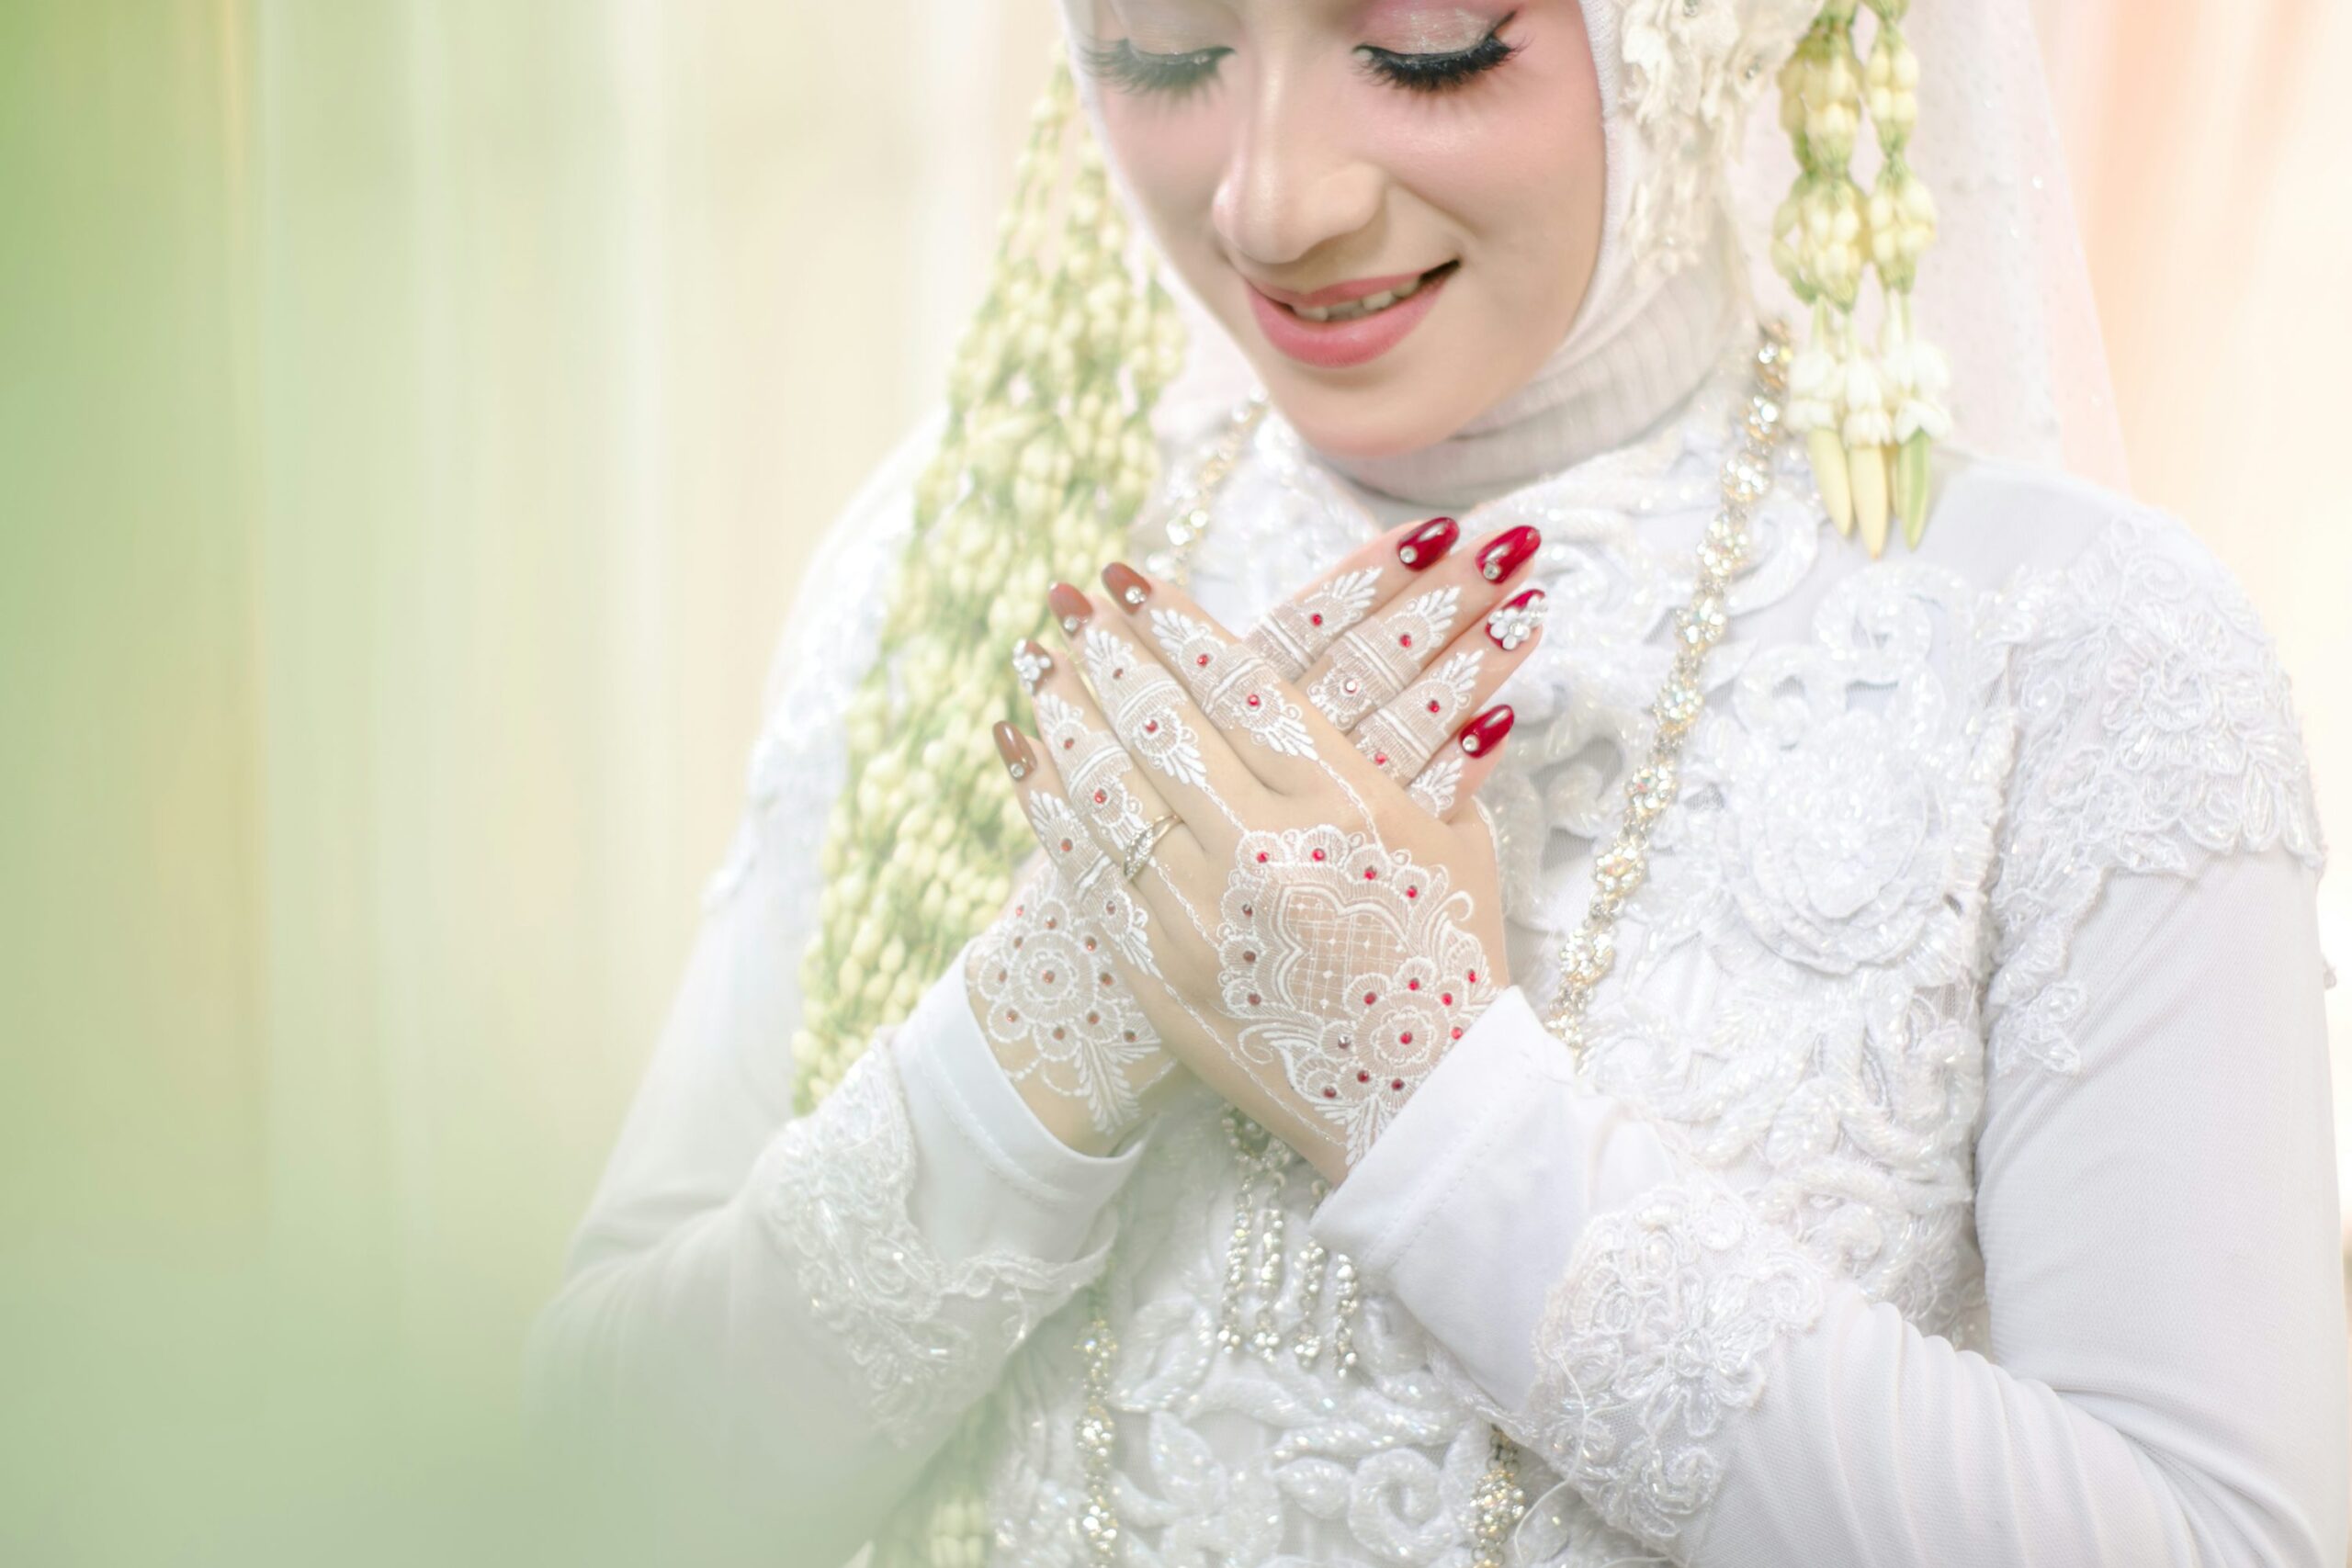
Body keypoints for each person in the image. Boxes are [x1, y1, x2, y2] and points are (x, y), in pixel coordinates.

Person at [526, 1, 2348, 1563]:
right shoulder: (975, 543)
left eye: (1423, 50)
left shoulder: (2064, 650)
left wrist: (1433, 1101)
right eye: (1160, 49)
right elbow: (577, 1497)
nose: (1269, 198)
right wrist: (1037, 1035)